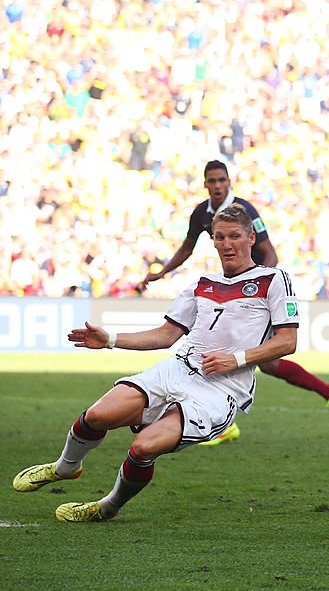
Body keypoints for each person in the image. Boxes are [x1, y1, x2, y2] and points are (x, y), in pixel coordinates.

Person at [12, 205, 302, 522]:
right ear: (214, 241)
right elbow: (166, 335)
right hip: (177, 369)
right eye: (220, 237)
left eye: (234, 236)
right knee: (96, 416)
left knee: (142, 448)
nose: (227, 244)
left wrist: (236, 359)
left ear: (250, 238)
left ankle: (106, 507)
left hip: (220, 392)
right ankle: (65, 467)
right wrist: (109, 339)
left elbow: (287, 341)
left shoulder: (273, 279)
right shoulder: (201, 284)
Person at [137, 160, 329, 441]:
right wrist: (163, 271)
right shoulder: (202, 213)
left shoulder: (246, 211)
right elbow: (187, 247)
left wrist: (263, 285)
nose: (217, 186)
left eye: (221, 180)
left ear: (228, 182)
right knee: (249, 361)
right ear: (205, 185)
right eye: (211, 181)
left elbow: (269, 253)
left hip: (256, 296)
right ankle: (225, 417)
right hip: (230, 293)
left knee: (263, 359)